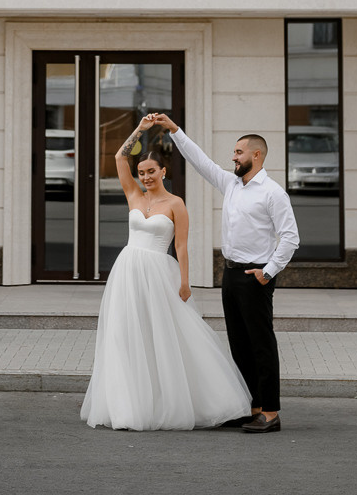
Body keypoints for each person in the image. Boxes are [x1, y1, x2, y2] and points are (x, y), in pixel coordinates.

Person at [80, 113, 251, 431]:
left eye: (151, 171)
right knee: (126, 335)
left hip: (159, 273)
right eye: (142, 172)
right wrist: (139, 130)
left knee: (168, 335)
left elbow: (181, 247)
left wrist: (185, 282)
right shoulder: (134, 195)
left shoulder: (176, 204)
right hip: (128, 273)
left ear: (163, 171)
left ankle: (205, 400)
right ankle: (130, 405)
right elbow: (119, 158)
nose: (146, 177)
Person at [153, 115, 299, 434]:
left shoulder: (272, 193)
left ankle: (270, 412)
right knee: (239, 344)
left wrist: (268, 272)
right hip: (230, 273)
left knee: (261, 344)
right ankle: (253, 407)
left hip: (255, 275)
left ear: (256, 155)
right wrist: (174, 130)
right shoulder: (231, 184)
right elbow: (200, 161)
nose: (233, 157)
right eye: (234, 152)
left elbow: (290, 238)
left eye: (238, 152)